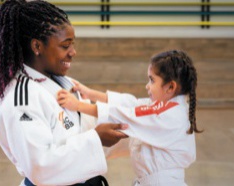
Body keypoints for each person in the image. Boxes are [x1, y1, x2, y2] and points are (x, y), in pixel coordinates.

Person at [0, 0, 128, 185]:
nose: (73, 52)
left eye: (72, 44)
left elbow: (87, 127)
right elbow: (40, 167)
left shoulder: (65, 82)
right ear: (37, 46)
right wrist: (96, 138)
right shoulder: (21, 99)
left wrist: (138, 130)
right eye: (65, 46)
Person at [57, 50, 203, 186]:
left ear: (170, 87)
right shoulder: (167, 106)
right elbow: (131, 104)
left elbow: (128, 114)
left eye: (152, 80)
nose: (147, 86)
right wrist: (90, 94)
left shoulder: (168, 113)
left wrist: (77, 105)